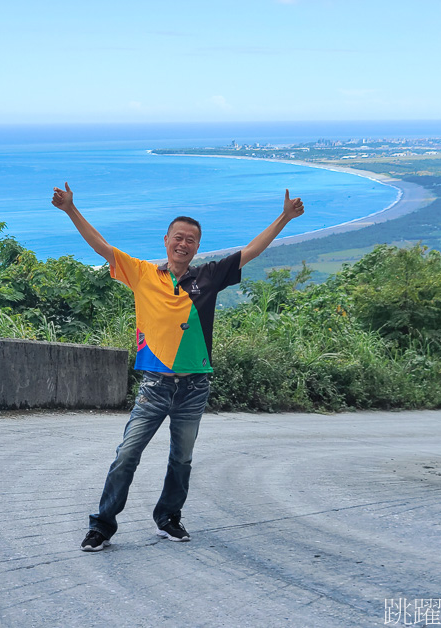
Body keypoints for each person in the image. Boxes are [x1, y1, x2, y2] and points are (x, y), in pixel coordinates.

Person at [51, 182, 305, 552]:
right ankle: (102, 525)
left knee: (181, 459)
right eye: (178, 237)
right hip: (155, 386)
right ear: (166, 239)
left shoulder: (209, 276)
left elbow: (250, 251)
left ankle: (168, 518)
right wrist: (71, 209)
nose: (183, 244)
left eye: (191, 240)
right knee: (127, 454)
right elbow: (102, 247)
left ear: (197, 247)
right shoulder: (142, 274)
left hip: (194, 387)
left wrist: (283, 217)